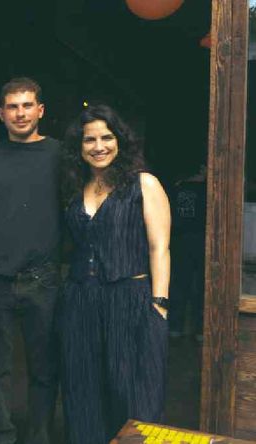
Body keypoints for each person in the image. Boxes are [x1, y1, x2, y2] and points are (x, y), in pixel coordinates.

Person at [60, 104, 170, 444]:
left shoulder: (143, 184)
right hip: (81, 302)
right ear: (79, 147)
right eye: (89, 140)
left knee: (134, 392)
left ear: (120, 141)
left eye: (106, 138)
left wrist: (159, 304)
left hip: (130, 299)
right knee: (83, 391)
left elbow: (160, 248)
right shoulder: (75, 189)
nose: (99, 146)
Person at [0, 77, 61, 444]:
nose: (20, 113)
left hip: (44, 278)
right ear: (1, 114)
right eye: (12, 107)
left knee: (44, 369)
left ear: (40, 110)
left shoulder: (61, 155)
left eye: (27, 105)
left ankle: (39, 436)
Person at [168, 164, 206, 340]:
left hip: (179, 240)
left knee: (179, 283)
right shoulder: (208, 190)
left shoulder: (176, 189)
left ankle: (175, 327)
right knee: (201, 285)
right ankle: (201, 330)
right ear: (203, 169)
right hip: (201, 240)